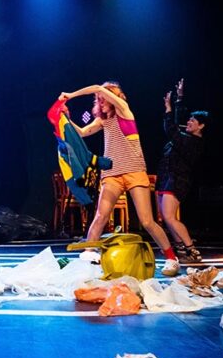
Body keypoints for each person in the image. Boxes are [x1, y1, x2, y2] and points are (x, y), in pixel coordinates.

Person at [59, 81, 180, 276]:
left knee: (147, 221)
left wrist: (70, 94)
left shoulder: (125, 112)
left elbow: (98, 87)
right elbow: (82, 132)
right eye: (99, 100)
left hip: (133, 171)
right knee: (101, 215)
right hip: (112, 174)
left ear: (112, 98)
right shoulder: (103, 121)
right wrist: (65, 117)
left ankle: (171, 258)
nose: (100, 101)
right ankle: (89, 253)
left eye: (103, 98)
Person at [155, 79, 209, 263]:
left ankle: (191, 249)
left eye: (193, 121)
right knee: (166, 217)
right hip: (166, 178)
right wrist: (179, 99)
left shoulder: (193, 143)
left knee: (170, 216)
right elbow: (177, 125)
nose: (189, 122)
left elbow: (171, 129)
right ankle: (181, 249)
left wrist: (169, 109)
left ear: (201, 126)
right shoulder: (186, 137)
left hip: (177, 180)